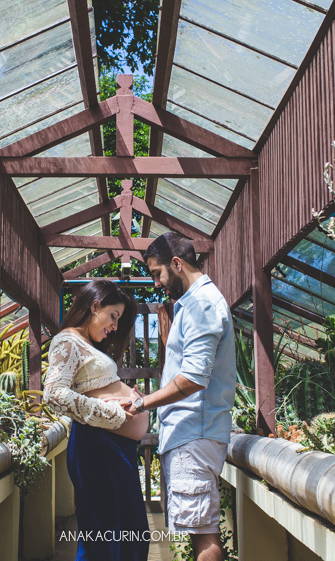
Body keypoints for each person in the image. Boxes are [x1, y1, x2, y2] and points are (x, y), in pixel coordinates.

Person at [121, 232, 236, 561]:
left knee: (204, 537)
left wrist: (143, 402)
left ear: (177, 264)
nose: (157, 283)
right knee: (199, 531)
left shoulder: (201, 304)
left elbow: (194, 379)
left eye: (157, 273)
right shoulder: (192, 304)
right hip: (190, 435)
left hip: (194, 436)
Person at [43, 279, 149, 561]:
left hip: (112, 447)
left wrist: (126, 398)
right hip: (98, 446)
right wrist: (112, 410)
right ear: (94, 306)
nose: (115, 326)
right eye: (113, 316)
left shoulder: (85, 343)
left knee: (127, 532)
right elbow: (53, 394)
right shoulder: (67, 340)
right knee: (106, 535)